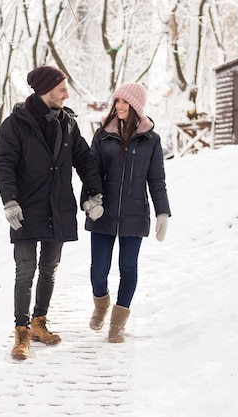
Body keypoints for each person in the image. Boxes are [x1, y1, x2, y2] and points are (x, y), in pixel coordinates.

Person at [0, 66, 104, 360]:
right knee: (25, 270)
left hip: (58, 207)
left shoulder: (67, 123)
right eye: (61, 90)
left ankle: (39, 323)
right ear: (44, 91)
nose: (67, 95)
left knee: (50, 269)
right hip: (26, 209)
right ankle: (21, 332)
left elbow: (84, 159)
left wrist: (94, 193)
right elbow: (4, 164)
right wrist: (10, 201)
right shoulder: (15, 125)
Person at [82, 82, 171, 343]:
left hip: (134, 214)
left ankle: (117, 324)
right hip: (103, 213)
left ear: (136, 107)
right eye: (117, 101)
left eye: (124, 102)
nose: (119, 106)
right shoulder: (102, 135)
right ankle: (101, 306)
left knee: (128, 267)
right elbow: (91, 174)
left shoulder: (150, 140)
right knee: (99, 269)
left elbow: (157, 180)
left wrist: (162, 213)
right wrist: (91, 202)